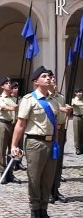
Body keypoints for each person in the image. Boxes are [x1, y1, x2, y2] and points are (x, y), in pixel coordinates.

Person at [11, 66, 59, 218]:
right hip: (35, 143)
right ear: (36, 81)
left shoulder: (53, 100)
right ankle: (35, 209)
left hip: (51, 143)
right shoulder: (29, 100)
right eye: (44, 76)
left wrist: (56, 143)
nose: (48, 78)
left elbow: (56, 124)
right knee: (34, 177)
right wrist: (14, 145)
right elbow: (20, 124)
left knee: (48, 178)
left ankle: (44, 209)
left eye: (49, 76)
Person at [48, 75, 72, 203]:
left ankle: (55, 189)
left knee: (58, 161)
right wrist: (61, 109)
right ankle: (47, 191)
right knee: (50, 162)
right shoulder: (46, 98)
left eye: (54, 79)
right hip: (51, 131)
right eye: (51, 79)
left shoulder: (61, 97)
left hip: (61, 129)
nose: (53, 81)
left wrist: (67, 110)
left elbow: (63, 112)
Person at [0, 77, 20, 184]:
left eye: (10, 83)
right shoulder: (0, 98)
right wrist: (13, 108)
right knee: (2, 149)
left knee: (13, 150)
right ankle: (2, 172)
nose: (9, 85)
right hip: (4, 124)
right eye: (6, 83)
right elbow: (3, 107)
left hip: (14, 125)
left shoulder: (15, 98)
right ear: (2, 86)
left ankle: (10, 172)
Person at [11, 82, 27, 171]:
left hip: (19, 122)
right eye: (14, 88)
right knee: (13, 143)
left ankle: (19, 161)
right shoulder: (9, 99)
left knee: (20, 144)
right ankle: (12, 162)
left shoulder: (21, 99)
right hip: (11, 123)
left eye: (17, 88)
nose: (16, 89)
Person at [72, 87, 83, 155]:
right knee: (77, 133)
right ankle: (77, 148)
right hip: (77, 117)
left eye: (81, 92)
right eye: (78, 92)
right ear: (76, 93)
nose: (80, 93)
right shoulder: (73, 100)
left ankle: (82, 147)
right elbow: (74, 104)